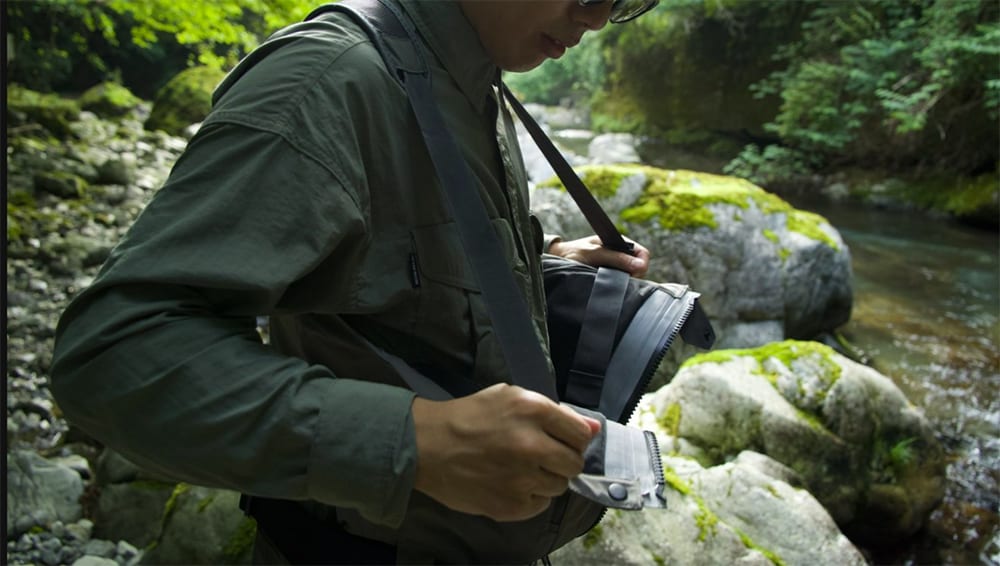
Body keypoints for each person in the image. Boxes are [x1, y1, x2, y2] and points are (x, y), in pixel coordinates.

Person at [50, 0, 656, 563]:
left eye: (629, 1)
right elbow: (112, 352)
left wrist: (540, 254)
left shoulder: (476, 80)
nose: (599, 18)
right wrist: (416, 442)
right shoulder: (327, 80)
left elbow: (396, 248)